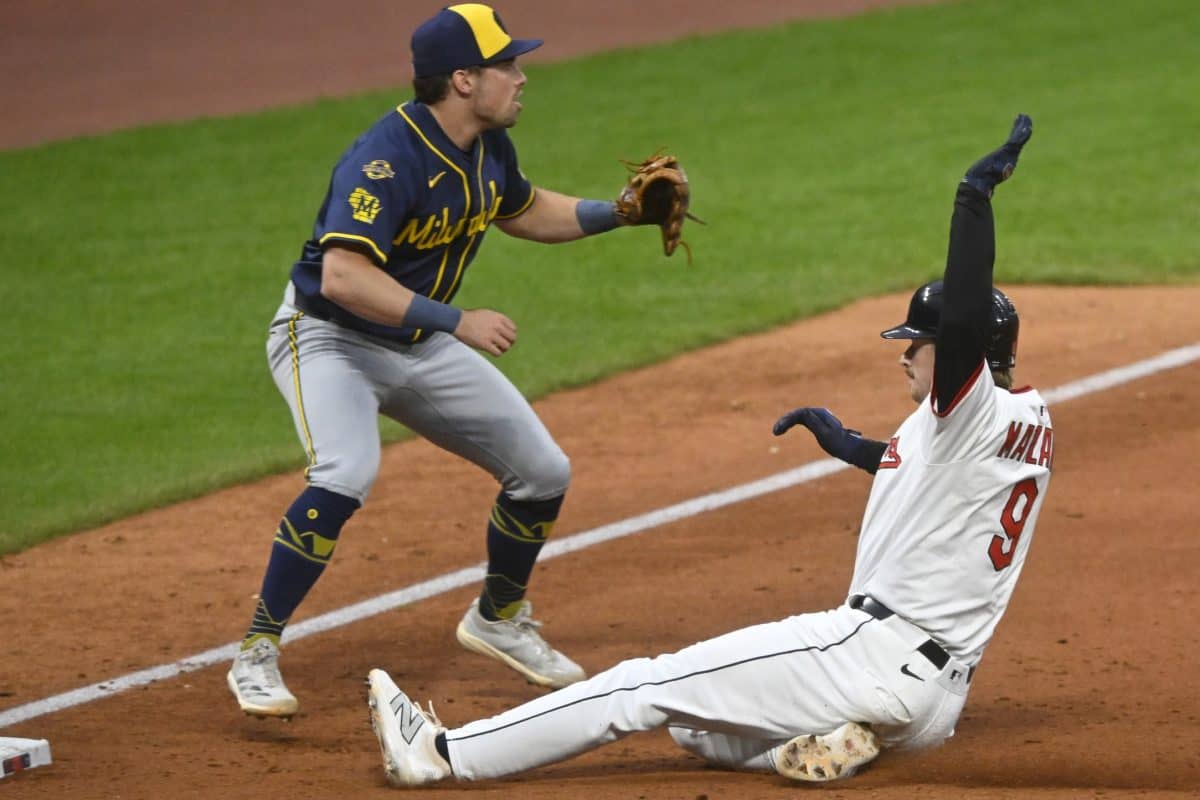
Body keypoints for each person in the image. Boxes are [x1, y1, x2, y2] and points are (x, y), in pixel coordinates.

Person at [364, 115, 1053, 786]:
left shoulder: (969, 404)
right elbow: (948, 482)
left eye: (918, 344)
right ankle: (818, 748)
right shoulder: (1029, 420)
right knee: (699, 727)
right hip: (934, 704)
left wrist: (973, 200)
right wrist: (856, 448)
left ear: (964, 355)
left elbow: (964, 320)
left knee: (643, 687)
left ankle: (444, 753)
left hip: (868, 655)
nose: (905, 354)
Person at [227, 3, 657, 718]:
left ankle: (499, 619)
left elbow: (522, 209)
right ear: (463, 80)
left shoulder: (488, 145)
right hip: (329, 339)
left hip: (414, 341)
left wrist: (617, 212)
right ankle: (256, 651)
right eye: (506, 65)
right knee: (345, 472)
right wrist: (457, 320)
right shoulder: (384, 160)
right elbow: (343, 278)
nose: (521, 76)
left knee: (543, 472)